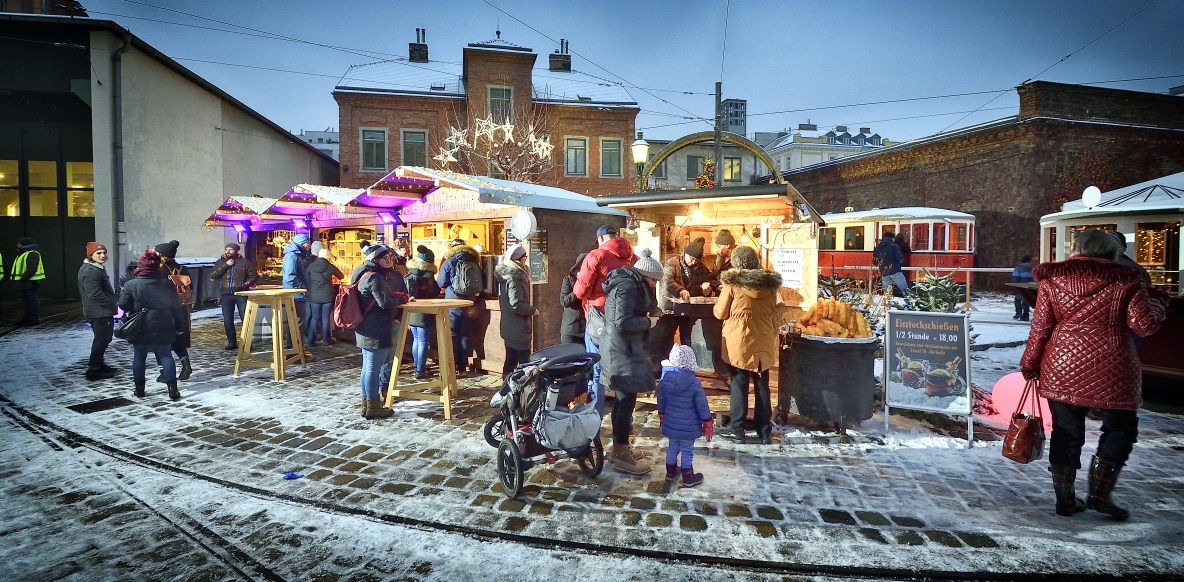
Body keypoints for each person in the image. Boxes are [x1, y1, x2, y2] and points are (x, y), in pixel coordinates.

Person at [1020, 229, 1167, 520]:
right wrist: (1159, 301)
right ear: (1113, 253)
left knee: (1066, 432)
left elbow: (1040, 330)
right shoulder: (1128, 281)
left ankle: (1065, 500)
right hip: (1114, 366)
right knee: (1120, 429)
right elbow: (1144, 325)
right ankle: (1100, 496)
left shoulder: (1052, 282)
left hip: (1062, 364)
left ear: (1075, 250)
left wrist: (1030, 364)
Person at [600, 248, 664, 475]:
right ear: (645, 277)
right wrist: (648, 322)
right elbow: (621, 321)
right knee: (625, 401)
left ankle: (620, 447)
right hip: (620, 350)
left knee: (624, 400)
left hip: (625, 348)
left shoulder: (633, 284)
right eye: (654, 281)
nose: (655, 286)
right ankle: (621, 455)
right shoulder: (627, 286)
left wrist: (652, 311)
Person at [714, 245, 783, 445]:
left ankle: (737, 430)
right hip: (764, 342)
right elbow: (777, 312)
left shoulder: (732, 285)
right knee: (762, 387)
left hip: (739, 342)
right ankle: (764, 431)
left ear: (737, 263)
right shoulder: (771, 285)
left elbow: (720, 313)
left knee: (739, 385)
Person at [574, 224, 636, 416]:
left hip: (598, 318)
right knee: (621, 366)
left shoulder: (595, 256)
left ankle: (595, 416)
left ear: (601, 239)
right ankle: (623, 418)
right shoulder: (632, 256)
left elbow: (580, 291)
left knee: (596, 368)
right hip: (625, 317)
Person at [119, 249, 187, 400]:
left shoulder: (131, 284)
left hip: (140, 326)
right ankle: (173, 390)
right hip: (163, 325)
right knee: (166, 356)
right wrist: (181, 326)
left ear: (141, 266)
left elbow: (124, 306)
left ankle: (140, 390)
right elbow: (176, 307)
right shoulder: (167, 284)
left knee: (139, 358)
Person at [354, 243, 408, 420]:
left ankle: (367, 403)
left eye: (390, 258)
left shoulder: (360, 271)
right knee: (372, 368)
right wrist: (401, 297)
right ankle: (374, 406)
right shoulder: (375, 277)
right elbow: (384, 302)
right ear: (376, 259)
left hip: (364, 326)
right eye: (386, 258)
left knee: (367, 367)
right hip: (375, 328)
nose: (389, 261)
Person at [657, 344, 713, 488]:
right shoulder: (694, 383)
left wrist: (662, 415)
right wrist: (707, 421)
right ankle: (688, 476)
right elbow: (702, 405)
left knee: (672, 446)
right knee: (687, 449)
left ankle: (670, 471)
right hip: (689, 425)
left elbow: (661, 401)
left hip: (671, 423)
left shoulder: (664, 380)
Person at [436, 239, 482, 376]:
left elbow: (441, 283)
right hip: (470, 304)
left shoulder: (450, 262)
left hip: (452, 303)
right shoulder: (474, 262)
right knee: (464, 336)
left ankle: (452, 366)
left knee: (453, 336)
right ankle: (463, 368)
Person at [661, 237, 716, 346]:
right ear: (685, 253)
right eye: (691, 258)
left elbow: (709, 281)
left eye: (696, 260)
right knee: (666, 339)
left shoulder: (701, 267)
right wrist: (680, 290)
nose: (693, 262)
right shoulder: (672, 263)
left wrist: (707, 288)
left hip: (689, 311)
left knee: (687, 340)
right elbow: (667, 281)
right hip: (671, 308)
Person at [78, 242, 118, 380]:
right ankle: (94, 369)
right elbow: (94, 293)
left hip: (101, 311)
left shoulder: (96, 268)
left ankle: (99, 364)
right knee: (102, 339)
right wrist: (110, 303)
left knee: (103, 339)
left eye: (104, 253)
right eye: (98, 253)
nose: (102, 256)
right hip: (99, 312)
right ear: (90, 255)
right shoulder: (90, 271)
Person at [496, 244, 537, 376]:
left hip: (510, 326)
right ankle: (526, 391)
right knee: (526, 364)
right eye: (525, 257)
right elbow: (516, 305)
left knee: (511, 359)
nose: (526, 260)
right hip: (518, 328)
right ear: (519, 259)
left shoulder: (505, 276)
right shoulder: (515, 279)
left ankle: (506, 389)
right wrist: (532, 310)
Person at [155, 240, 194, 381]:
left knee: (160, 342)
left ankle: (164, 373)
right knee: (178, 339)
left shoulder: (158, 270)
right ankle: (186, 364)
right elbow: (192, 288)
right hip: (182, 309)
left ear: (161, 254)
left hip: (164, 310)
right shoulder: (183, 268)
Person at [209, 243, 257, 350]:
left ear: (236, 251)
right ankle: (232, 342)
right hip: (226, 295)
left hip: (241, 294)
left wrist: (245, 285)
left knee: (245, 319)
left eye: (231, 249)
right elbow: (213, 275)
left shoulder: (244, 262)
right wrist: (226, 265)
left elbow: (253, 276)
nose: (228, 251)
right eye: (227, 249)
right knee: (227, 320)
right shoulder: (220, 262)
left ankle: (247, 343)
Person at [405, 245, 441, 380]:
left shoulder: (410, 272)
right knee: (423, 341)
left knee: (416, 340)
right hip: (424, 312)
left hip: (412, 310)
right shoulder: (428, 275)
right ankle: (420, 370)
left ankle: (417, 366)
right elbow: (434, 291)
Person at [305, 248, 343, 347]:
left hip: (315, 296)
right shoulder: (330, 266)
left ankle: (311, 341)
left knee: (314, 318)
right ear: (327, 256)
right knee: (325, 319)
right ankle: (326, 340)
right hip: (327, 296)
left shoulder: (310, 266)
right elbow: (341, 276)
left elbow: (307, 280)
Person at [282, 233, 313, 351]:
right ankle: (295, 351)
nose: (309, 245)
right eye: (308, 243)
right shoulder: (293, 256)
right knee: (298, 324)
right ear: (303, 243)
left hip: (295, 294)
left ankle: (294, 350)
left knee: (295, 323)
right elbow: (290, 276)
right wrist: (302, 288)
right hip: (295, 295)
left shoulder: (295, 255)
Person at [14, 237, 44, 326]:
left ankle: (33, 319)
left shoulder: (32, 254)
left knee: (32, 301)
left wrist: (23, 278)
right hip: (25, 281)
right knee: (27, 301)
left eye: (19, 244)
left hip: (30, 281)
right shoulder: (24, 254)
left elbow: (32, 268)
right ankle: (27, 318)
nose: (17, 245)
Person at [559, 253, 588, 345]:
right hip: (571, 328)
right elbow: (564, 301)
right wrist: (579, 287)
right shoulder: (569, 279)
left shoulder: (592, 281)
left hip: (587, 329)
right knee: (569, 358)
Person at [873, 232, 909, 297]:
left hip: (884, 272)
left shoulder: (878, 247)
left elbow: (875, 261)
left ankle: (887, 304)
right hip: (895, 270)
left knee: (887, 292)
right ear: (892, 238)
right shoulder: (894, 246)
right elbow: (900, 259)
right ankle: (909, 303)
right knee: (904, 289)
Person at [1011, 254, 1034, 321]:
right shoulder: (1033, 267)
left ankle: (1018, 313)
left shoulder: (1018, 268)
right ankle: (1026, 315)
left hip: (1020, 285)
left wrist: (1013, 286)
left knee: (1018, 300)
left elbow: (1015, 277)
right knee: (1026, 300)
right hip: (1030, 286)